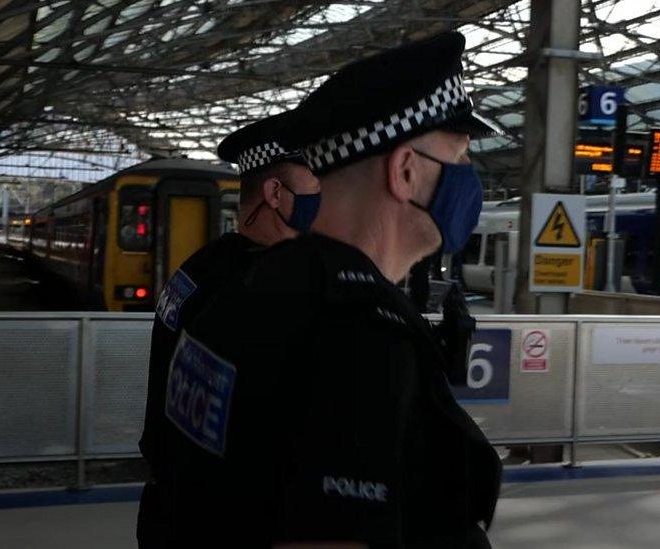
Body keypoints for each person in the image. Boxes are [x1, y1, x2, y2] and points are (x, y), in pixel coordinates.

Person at [170, 32, 503, 548]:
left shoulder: (243, 290)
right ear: (406, 170)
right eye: (458, 158)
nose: (468, 179)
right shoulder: (361, 335)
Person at [136, 111, 320, 547]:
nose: (324, 194)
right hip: (224, 520)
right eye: (316, 180)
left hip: (172, 502)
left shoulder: (201, 265)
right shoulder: (263, 286)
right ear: (275, 192)